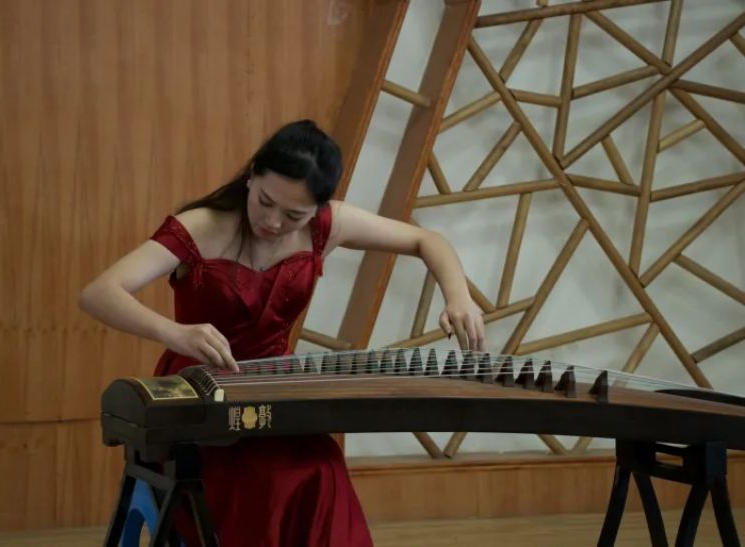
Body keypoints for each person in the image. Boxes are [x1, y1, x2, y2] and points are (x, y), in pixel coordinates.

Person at [79, 119, 486, 547]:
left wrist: (458, 295)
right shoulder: (201, 226)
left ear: (318, 209)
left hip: (277, 392)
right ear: (252, 176)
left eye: (294, 215)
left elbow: (427, 240)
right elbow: (98, 293)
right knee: (269, 479)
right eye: (265, 202)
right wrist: (175, 333)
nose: (273, 222)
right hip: (198, 395)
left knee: (321, 466)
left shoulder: (326, 226)